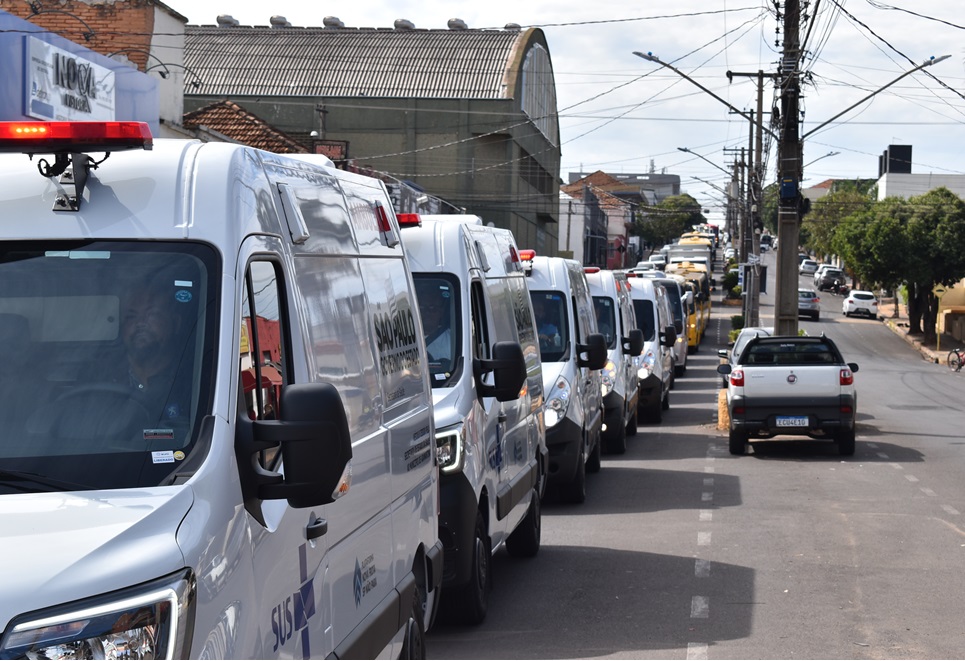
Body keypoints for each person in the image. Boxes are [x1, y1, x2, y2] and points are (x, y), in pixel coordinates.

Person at [117, 278, 192, 423]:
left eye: (152, 314)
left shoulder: (192, 382)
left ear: (175, 323)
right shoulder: (101, 375)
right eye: (131, 316)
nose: (140, 323)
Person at [420, 289, 452, 365]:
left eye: (432, 308)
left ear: (441, 312)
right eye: (422, 308)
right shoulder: (405, 341)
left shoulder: (452, 340)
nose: (427, 312)